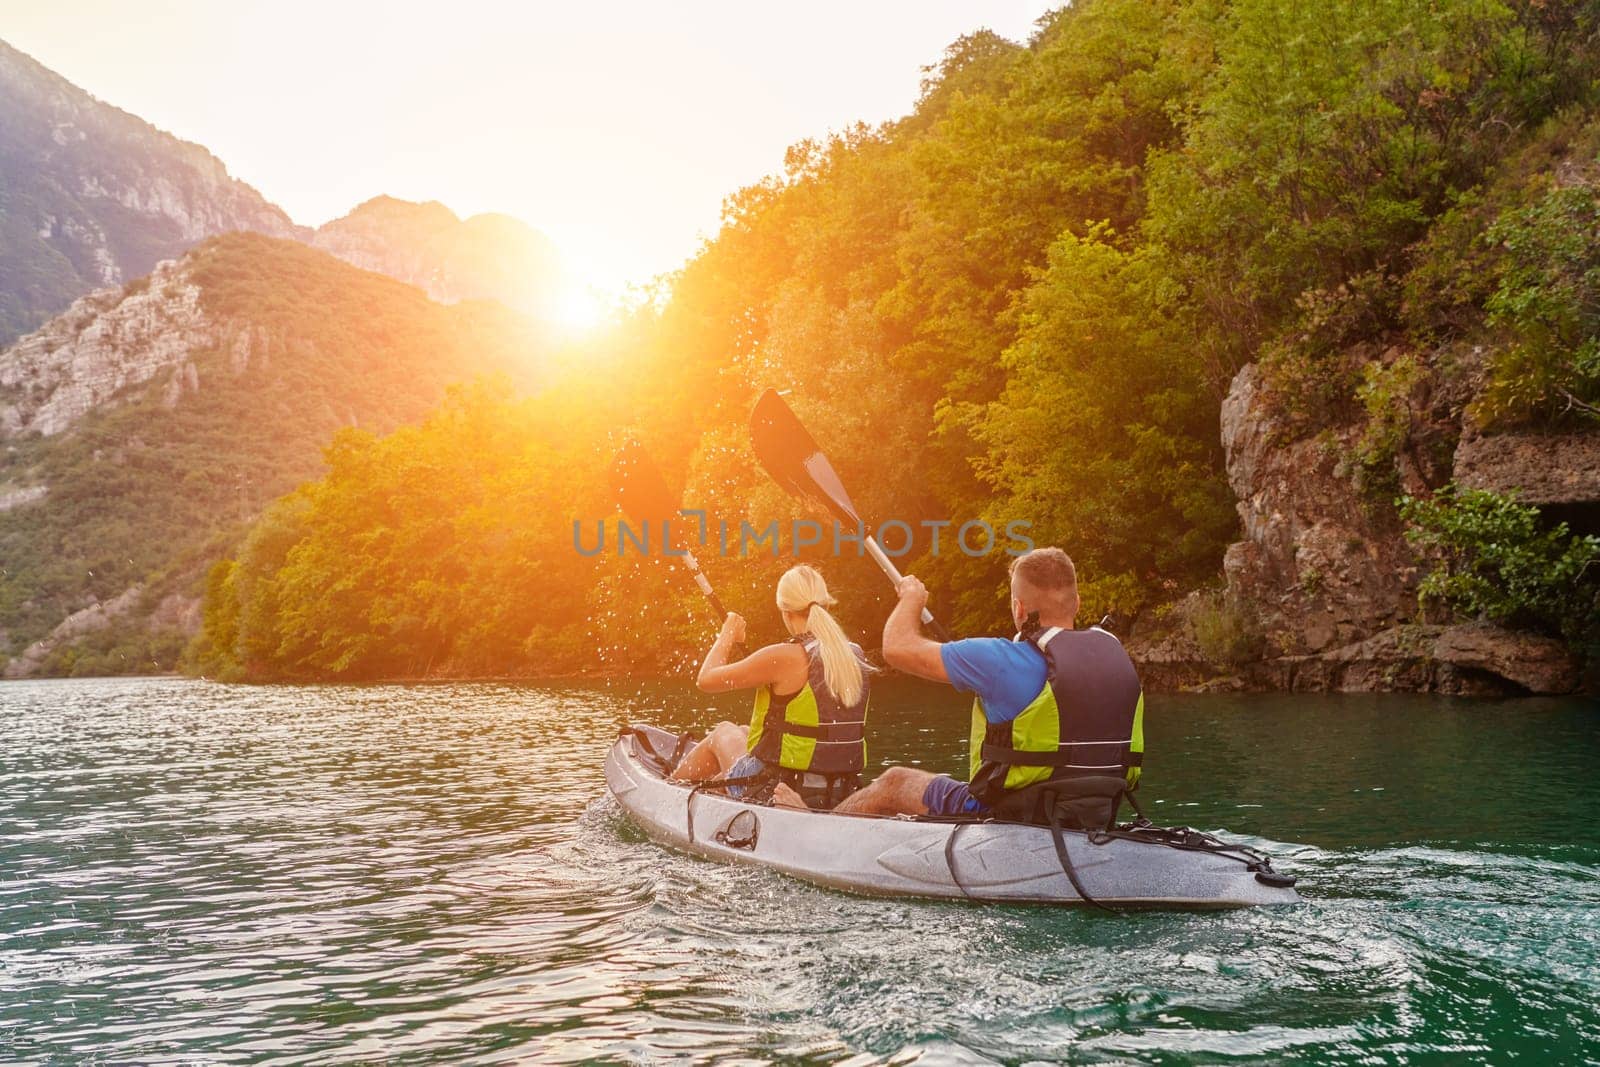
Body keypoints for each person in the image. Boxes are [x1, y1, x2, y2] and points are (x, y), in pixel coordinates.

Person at [833, 547, 1144, 823]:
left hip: (1012, 814)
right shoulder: (1115, 657)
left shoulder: (998, 660)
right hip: (1099, 810)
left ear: (1019, 608)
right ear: (1076, 603)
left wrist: (911, 599)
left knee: (894, 782)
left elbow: (897, 648)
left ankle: (818, 832)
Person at [670, 564, 873, 810]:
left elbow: (706, 679)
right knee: (744, 731)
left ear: (785, 612)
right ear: (826, 606)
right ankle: (713, 788)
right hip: (841, 789)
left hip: (778, 788)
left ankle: (667, 793)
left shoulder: (784, 657)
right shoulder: (855, 654)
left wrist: (728, 634)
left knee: (723, 731)